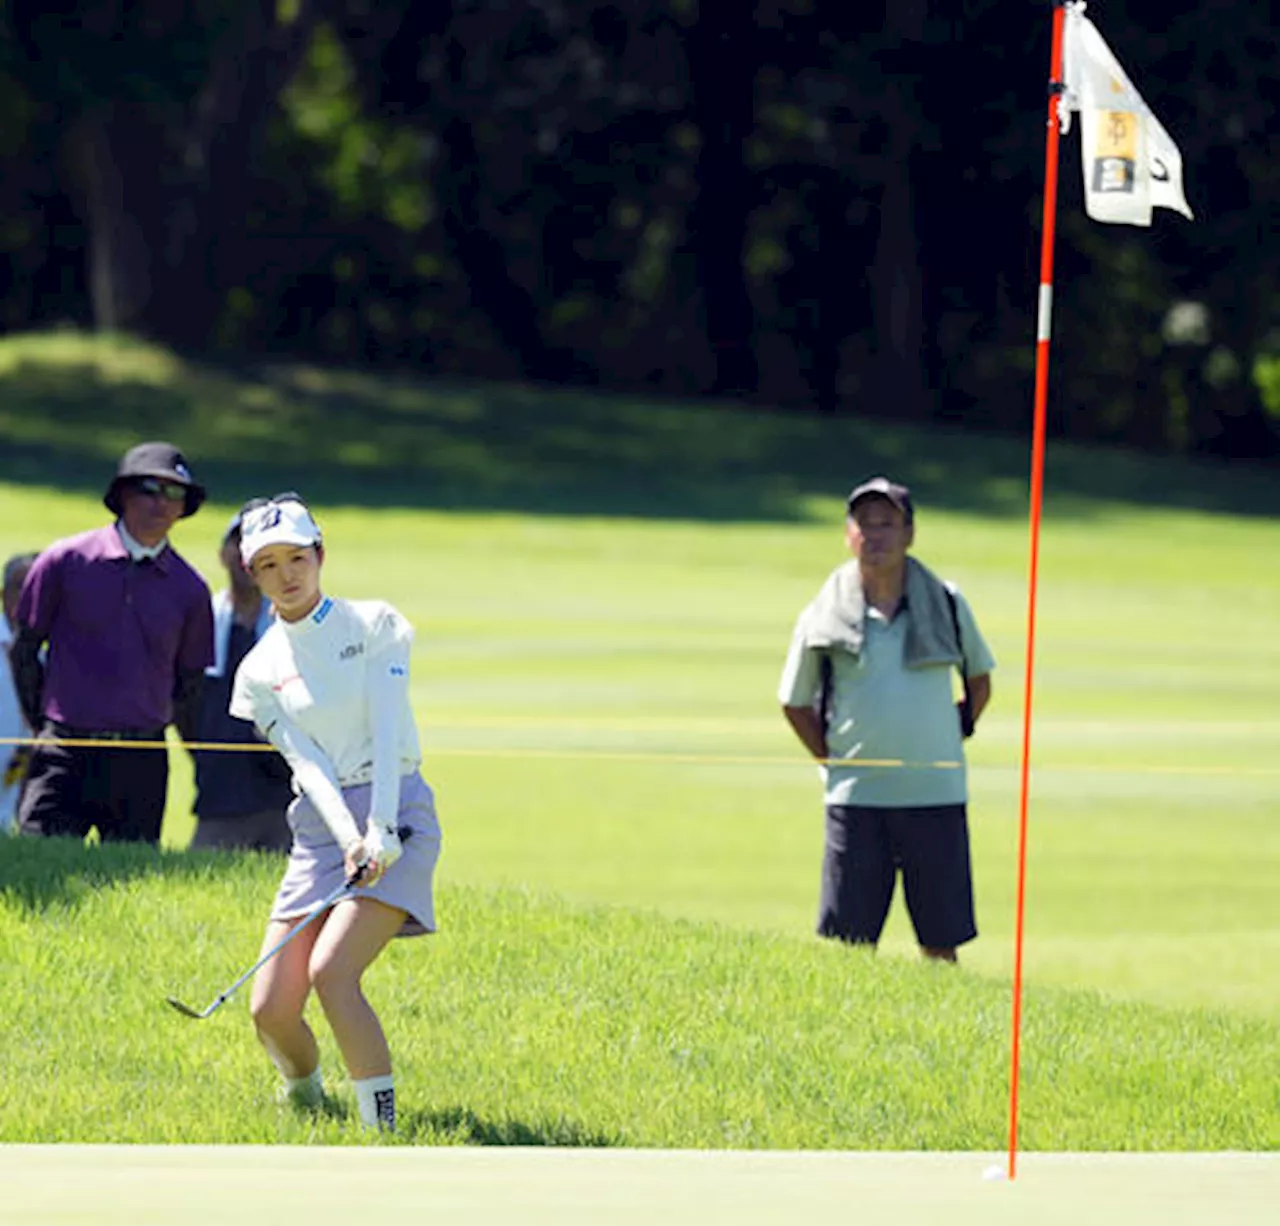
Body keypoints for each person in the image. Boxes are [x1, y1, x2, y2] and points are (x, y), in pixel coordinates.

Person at [229, 493, 442, 1133]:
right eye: (269, 565)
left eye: (298, 557)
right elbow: (307, 763)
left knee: (332, 972)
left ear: (321, 555)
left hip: (396, 804)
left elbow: (383, 728)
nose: (287, 574)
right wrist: (350, 838)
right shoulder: (258, 671)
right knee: (269, 1007)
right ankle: (306, 1097)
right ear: (252, 574)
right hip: (322, 832)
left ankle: (381, 1128)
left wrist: (378, 831)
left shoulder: (378, 624)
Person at [778, 477, 995, 963]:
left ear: (910, 533)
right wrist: (832, 759)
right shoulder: (822, 612)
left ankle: (947, 1032)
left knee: (941, 944)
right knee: (848, 949)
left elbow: (979, 680)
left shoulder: (947, 601)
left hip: (936, 795)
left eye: (888, 524)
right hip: (856, 798)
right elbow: (794, 702)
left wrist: (953, 730)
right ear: (848, 535)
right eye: (863, 524)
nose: (875, 535)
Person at [11, 441, 214, 845]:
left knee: (128, 881)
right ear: (123, 494)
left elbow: (190, 681)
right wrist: (43, 722)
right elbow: (25, 649)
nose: (161, 502)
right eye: (148, 489)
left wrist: (147, 719)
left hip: (142, 761)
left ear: (183, 507)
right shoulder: (64, 561)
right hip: (63, 750)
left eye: (174, 492)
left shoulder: (190, 589)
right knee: (37, 866)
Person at [189, 504, 293, 852]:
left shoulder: (293, 624)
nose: (247, 553)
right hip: (219, 799)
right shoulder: (203, 619)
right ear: (223, 554)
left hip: (288, 803)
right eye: (239, 542)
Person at [0, 553, 39, 833]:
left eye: (36, 587)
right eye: (19, 586)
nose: (27, 595)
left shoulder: (56, 648)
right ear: (3, 594)